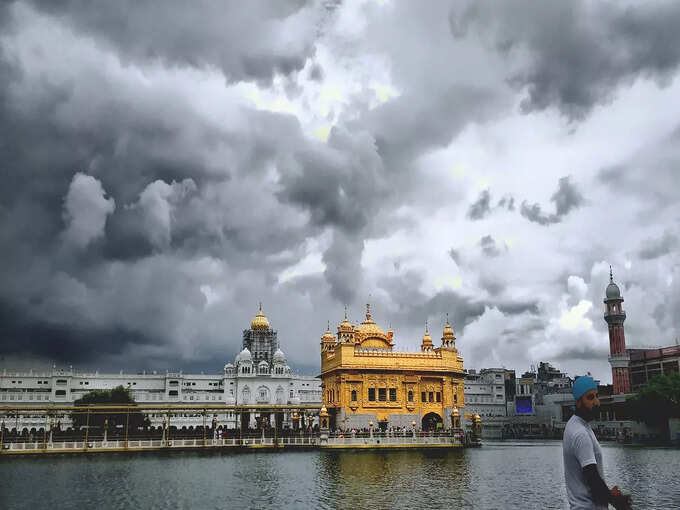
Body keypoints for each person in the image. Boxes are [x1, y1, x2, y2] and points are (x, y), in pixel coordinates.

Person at [563, 376, 632, 509]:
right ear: (578, 402)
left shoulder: (575, 424)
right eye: (590, 398)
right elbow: (592, 479)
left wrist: (610, 494)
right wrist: (617, 501)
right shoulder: (580, 433)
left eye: (596, 396)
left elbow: (591, 480)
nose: (596, 402)